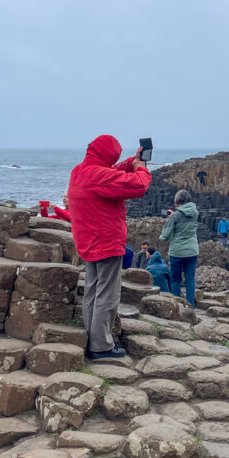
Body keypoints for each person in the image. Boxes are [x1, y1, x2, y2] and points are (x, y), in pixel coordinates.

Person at [68, 135, 152, 360]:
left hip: (87, 241)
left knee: (93, 290)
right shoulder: (99, 176)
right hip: (105, 242)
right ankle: (101, 345)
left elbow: (110, 173)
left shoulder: (79, 171)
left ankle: (91, 336)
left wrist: (130, 162)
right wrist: (142, 169)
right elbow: (137, 185)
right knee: (107, 294)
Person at [161, 190, 199, 306]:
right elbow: (184, 217)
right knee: (190, 279)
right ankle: (190, 305)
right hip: (192, 251)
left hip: (177, 252)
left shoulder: (175, 216)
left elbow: (165, 236)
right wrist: (175, 216)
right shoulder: (195, 213)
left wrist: (170, 219)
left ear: (177, 202)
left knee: (175, 279)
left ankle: (177, 305)